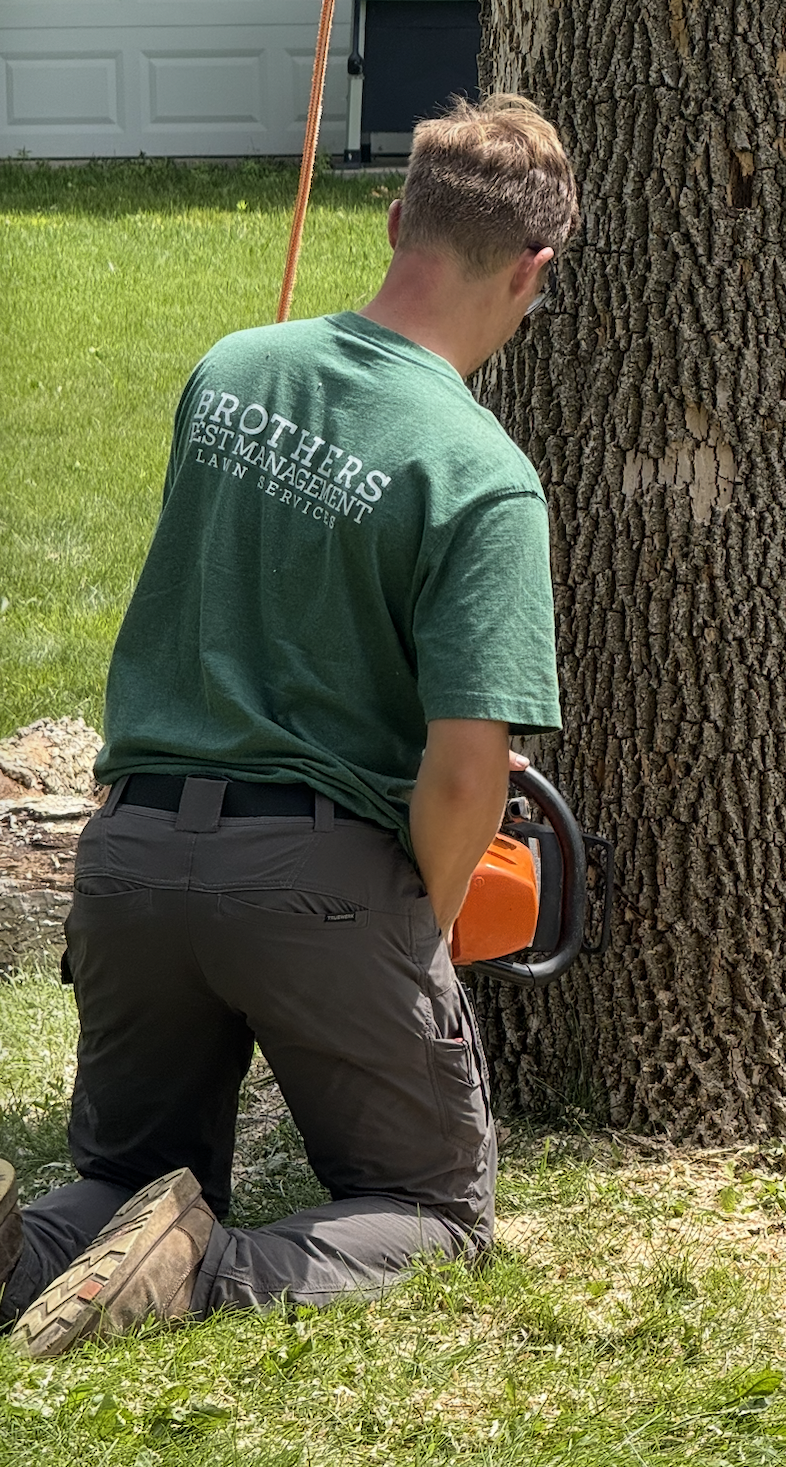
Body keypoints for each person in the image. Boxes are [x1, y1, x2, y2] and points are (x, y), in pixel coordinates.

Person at [0, 94, 577, 1358]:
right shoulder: (480, 472)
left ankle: (32, 1248)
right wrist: (408, 924)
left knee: (124, 1171)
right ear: (533, 269)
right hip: (314, 877)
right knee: (432, 1210)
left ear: (395, 218)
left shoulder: (230, 370)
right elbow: (468, 765)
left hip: (134, 859)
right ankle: (203, 1275)